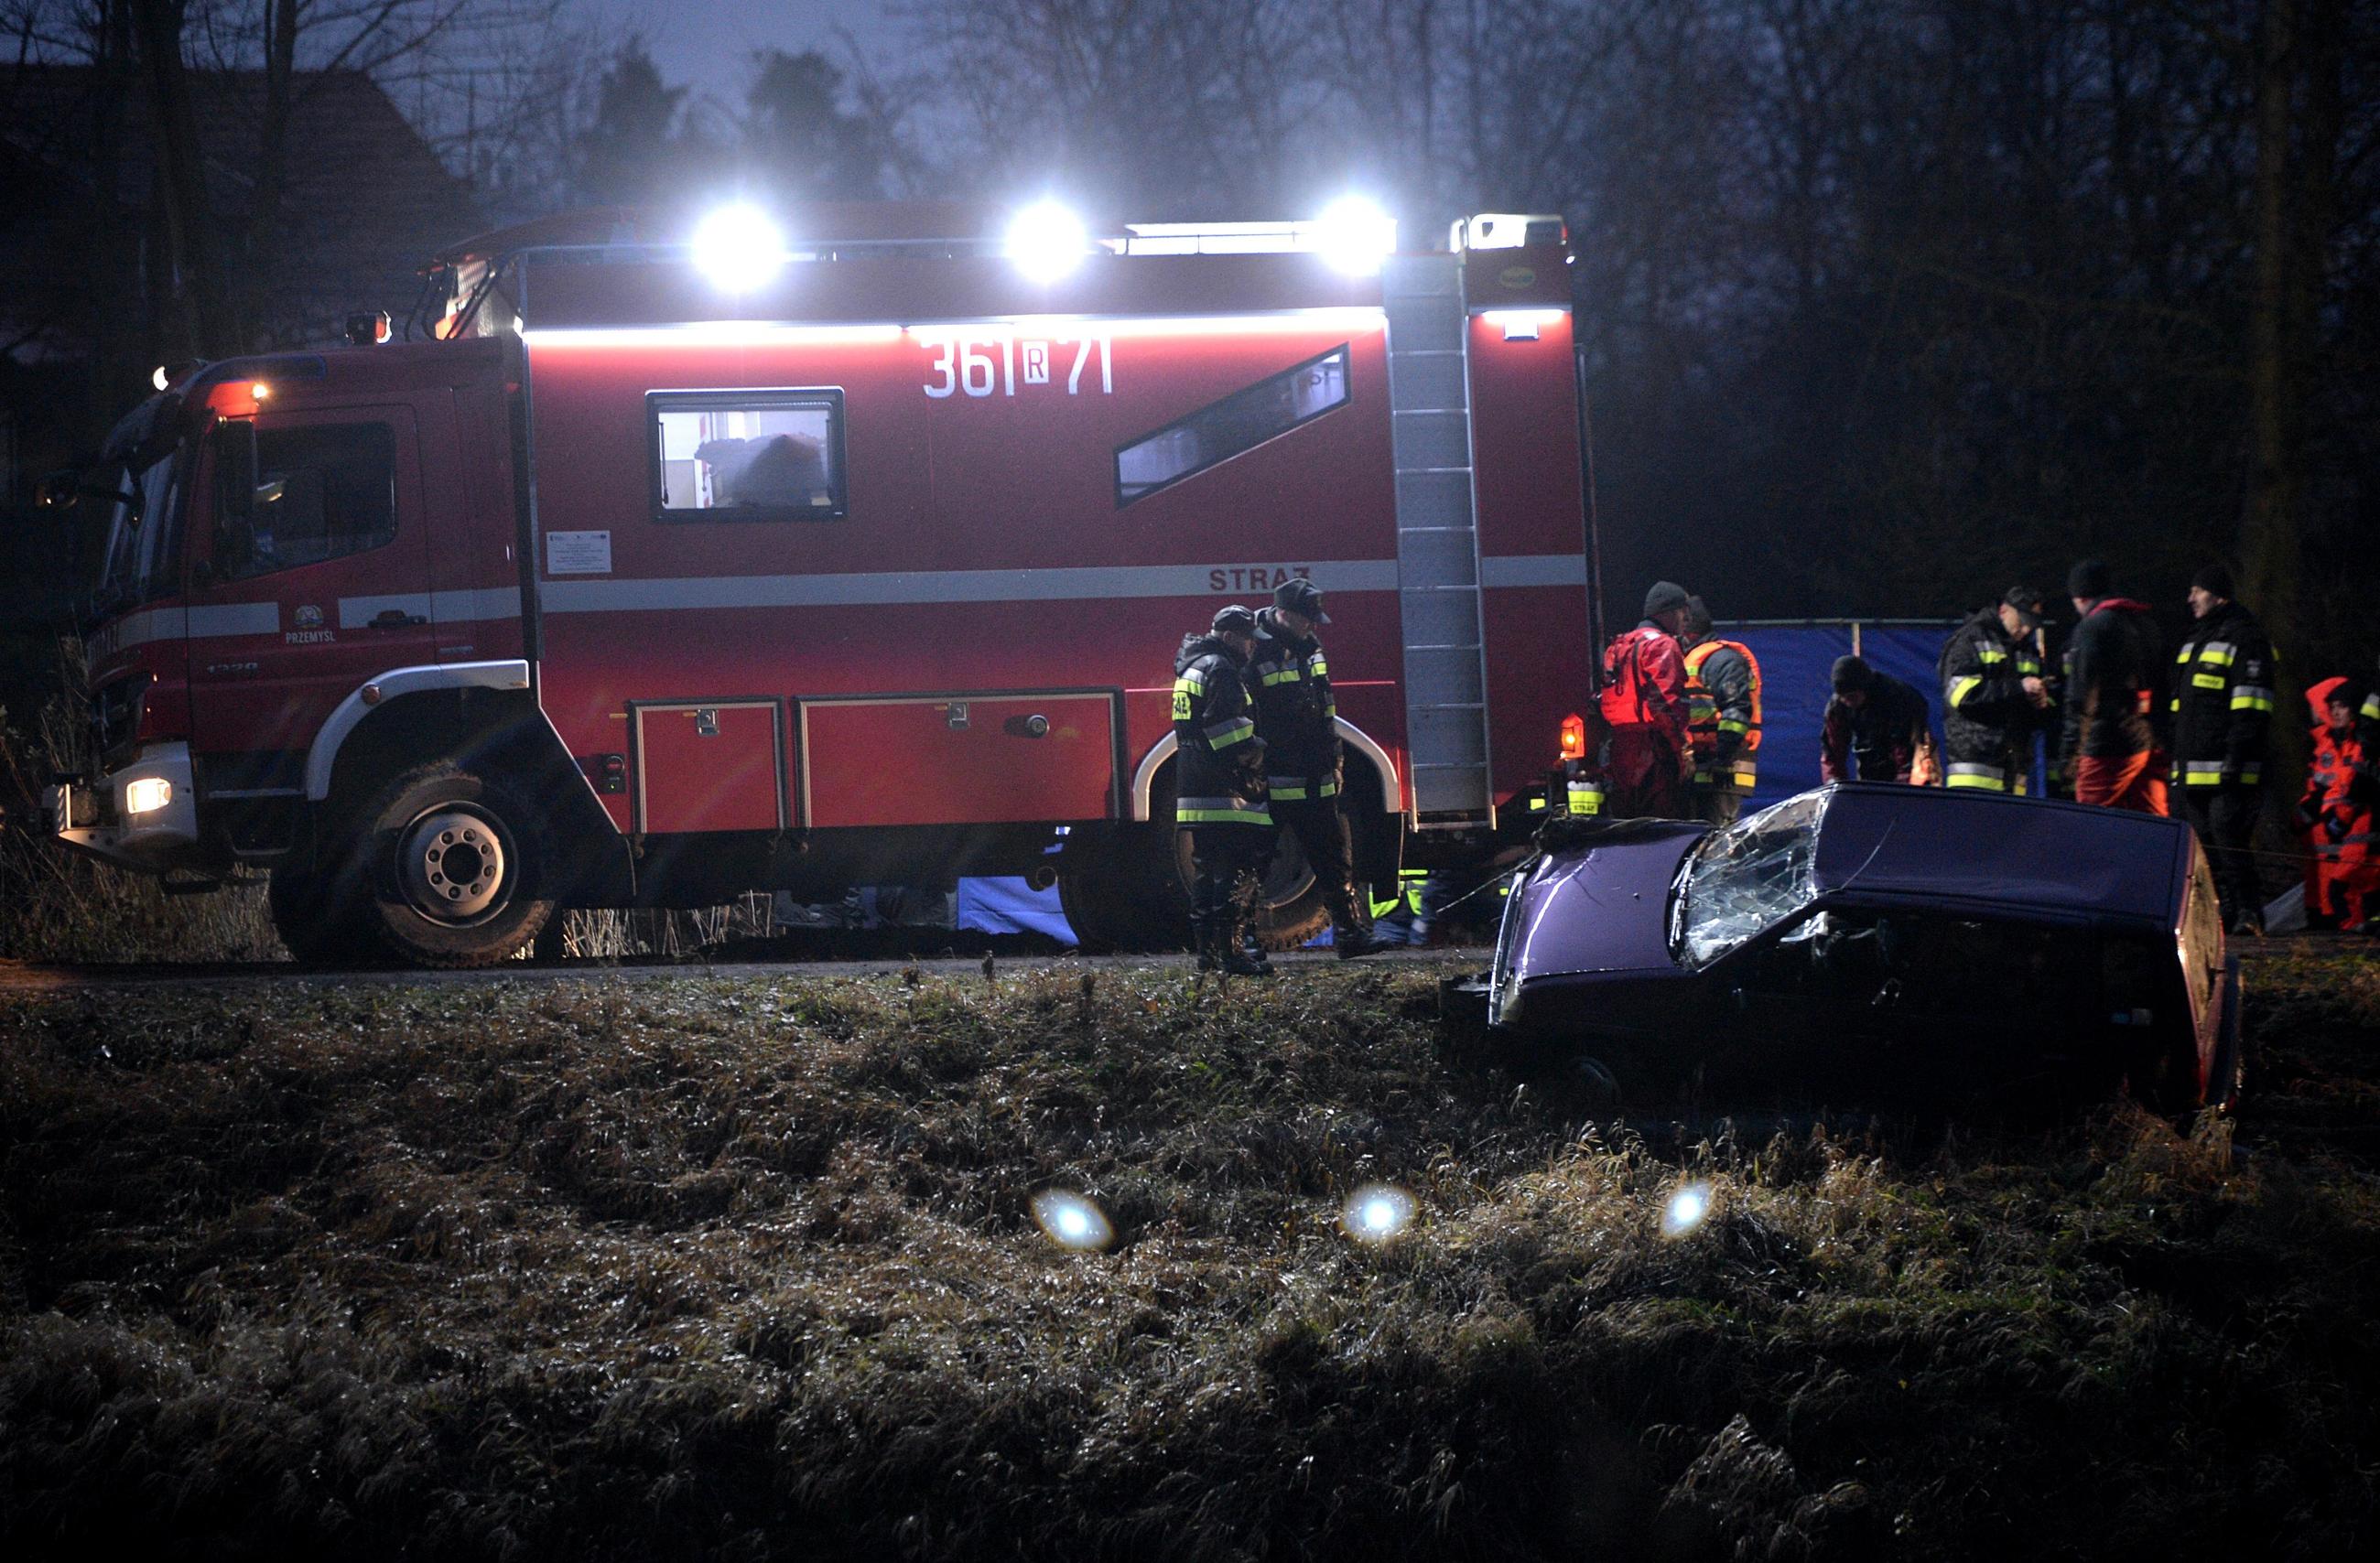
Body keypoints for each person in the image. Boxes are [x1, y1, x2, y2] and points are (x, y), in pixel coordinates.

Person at [1249, 577, 1379, 958]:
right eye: (1307, 618)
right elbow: (1246, 714)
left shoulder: (1310, 648)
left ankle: (1351, 936)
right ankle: (1249, 942)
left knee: (1334, 860)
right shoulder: (1256, 651)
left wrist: (1335, 759)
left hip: (1317, 776)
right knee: (1256, 865)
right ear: (1283, 614)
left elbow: (1326, 709)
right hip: (1274, 777)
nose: (1313, 625)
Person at [2170, 564, 2277, 933]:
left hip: (2229, 767)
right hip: (2193, 767)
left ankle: (2249, 911)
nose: (2190, 598)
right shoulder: (2196, 640)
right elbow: (2182, 709)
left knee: (2230, 841)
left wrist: (2236, 758)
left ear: (2218, 595)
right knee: (2206, 849)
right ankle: (2226, 911)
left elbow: (2251, 705)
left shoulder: (2245, 639)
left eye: (2197, 590)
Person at [1172, 605, 1273, 976]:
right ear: (1230, 636)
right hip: (1226, 792)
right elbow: (1227, 733)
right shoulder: (1222, 669)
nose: (1252, 647)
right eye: (1248, 639)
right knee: (1234, 874)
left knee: (1206, 873)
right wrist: (1262, 757)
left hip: (1196, 790)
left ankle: (1208, 957)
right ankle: (1232, 955)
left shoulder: (1193, 666)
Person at [2059, 559, 2169, 815]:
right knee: (2152, 827)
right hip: (2148, 743)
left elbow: (2081, 699)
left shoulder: (2093, 628)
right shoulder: (2146, 625)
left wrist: (2070, 758)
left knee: (2093, 825)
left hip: (2106, 748)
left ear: (2080, 596)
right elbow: (2164, 687)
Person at [1938, 586, 2054, 794]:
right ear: (2004, 611)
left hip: (2014, 775)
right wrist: (2020, 687)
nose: (2027, 630)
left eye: (2032, 625)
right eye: (2023, 622)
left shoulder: (2028, 650)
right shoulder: (1970, 640)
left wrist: (2043, 704)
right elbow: (1962, 696)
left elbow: (2041, 716)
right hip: (1974, 776)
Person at [1599, 581, 1693, 816]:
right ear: (1670, 612)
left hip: (1621, 748)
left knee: (1629, 824)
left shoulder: (1619, 646)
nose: (1687, 619)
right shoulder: (1662, 645)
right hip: (1654, 750)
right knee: (1664, 825)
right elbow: (1667, 704)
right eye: (1683, 611)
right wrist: (1683, 750)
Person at [2299, 678, 2376, 933]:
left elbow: (2356, 787)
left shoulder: (2359, 745)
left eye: (2341, 706)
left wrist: (2339, 816)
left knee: (2347, 887)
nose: (2334, 712)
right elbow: (2325, 788)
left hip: (2355, 827)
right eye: (2331, 706)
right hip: (2337, 828)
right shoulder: (2331, 745)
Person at [1678, 597, 1763, 826]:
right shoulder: (1697, 659)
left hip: (1722, 771)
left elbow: (1736, 711)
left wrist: (1722, 755)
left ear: (1690, 630)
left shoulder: (1721, 660)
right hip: (1704, 770)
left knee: (1718, 843)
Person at [1821, 655, 1931, 783]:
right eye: (1842, 697)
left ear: (1865, 688)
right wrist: (1833, 782)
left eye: (1852, 697)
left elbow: (1908, 751)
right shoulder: (1837, 708)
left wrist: (1903, 788)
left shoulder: (1898, 699)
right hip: (1871, 759)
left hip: (1911, 753)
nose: (1847, 702)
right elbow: (1832, 752)